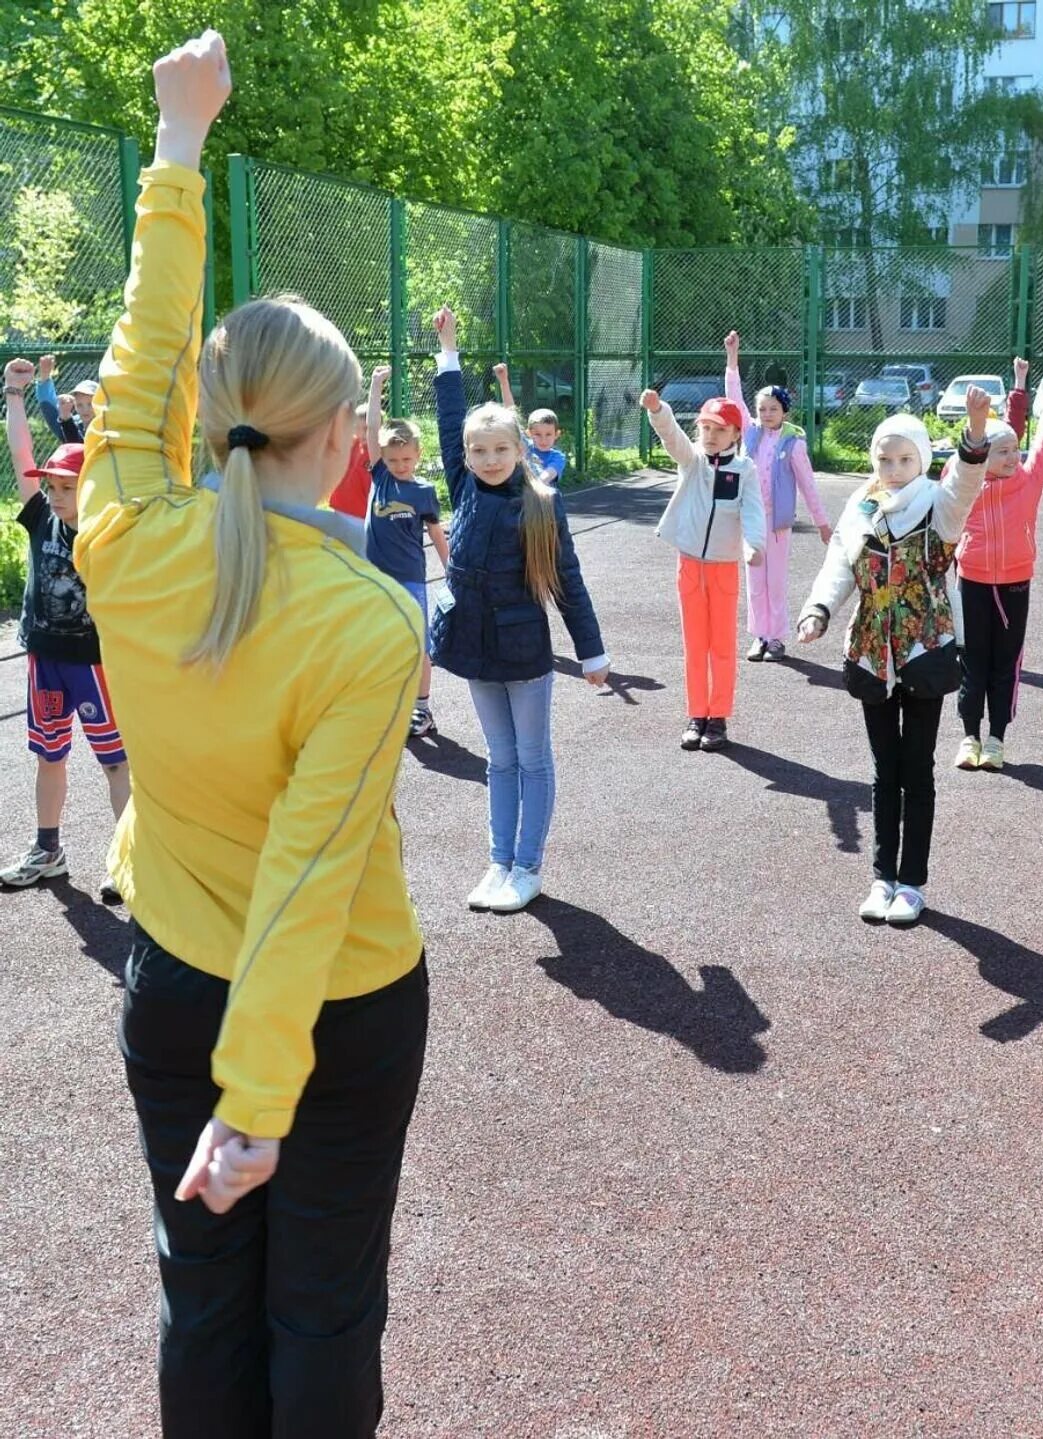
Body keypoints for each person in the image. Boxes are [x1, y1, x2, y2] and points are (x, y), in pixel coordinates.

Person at [72, 33, 427, 1435]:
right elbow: (311, 874)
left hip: (173, 983)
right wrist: (260, 1097)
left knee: (203, 1295)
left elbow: (139, 354)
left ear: (207, 418)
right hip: (334, 1014)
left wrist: (179, 144)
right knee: (323, 1312)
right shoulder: (364, 619)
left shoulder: (124, 532)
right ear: (348, 437)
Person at [430, 306, 609, 912]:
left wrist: (592, 653)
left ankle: (528, 865)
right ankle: (498, 861)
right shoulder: (463, 485)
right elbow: (449, 413)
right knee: (497, 760)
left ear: (519, 448)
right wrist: (448, 352)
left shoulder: (542, 503)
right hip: (476, 644)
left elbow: (569, 582)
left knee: (531, 758)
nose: (487, 459)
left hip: (524, 648)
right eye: (477, 451)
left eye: (499, 448)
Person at [797, 387, 991, 927]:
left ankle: (912, 882)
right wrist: (818, 610)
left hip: (924, 648)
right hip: (871, 652)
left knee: (918, 771)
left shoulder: (937, 503)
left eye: (905, 458)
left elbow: (964, 485)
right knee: (884, 772)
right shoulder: (861, 506)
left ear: (923, 459)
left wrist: (975, 430)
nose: (894, 467)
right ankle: (881, 877)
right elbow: (840, 565)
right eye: (884, 457)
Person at [2, 359, 130, 891]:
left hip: (94, 663)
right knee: (49, 755)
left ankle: (130, 863)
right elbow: (21, 454)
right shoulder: (41, 519)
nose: (55, 495)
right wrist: (14, 394)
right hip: (44, 655)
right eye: (50, 486)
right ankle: (47, 849)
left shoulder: (109, 527)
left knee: (116, 763)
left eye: (66, 487)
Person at [951, 378, 1043, 772]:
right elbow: (967, 450)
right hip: (973, 582)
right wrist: (978, 426)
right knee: (972, 662)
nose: (1012, 457)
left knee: (1006, 663)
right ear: (982, 455)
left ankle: (996, 738)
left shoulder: (1028, 481)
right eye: (1001, 452)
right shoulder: (966, 483)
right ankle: (969, 736)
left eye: (1015, 450)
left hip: (1015, 584)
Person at [647, 382, 766, 751]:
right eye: (705, 428)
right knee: (694, 645)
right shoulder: (694, 460)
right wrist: (658, 411)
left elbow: (753, 510)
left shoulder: (745, 470)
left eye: (719, 429)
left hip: (724, 568)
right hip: (689, 565)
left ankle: (718, 718)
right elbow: (673, 438)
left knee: (723, 646)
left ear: (735, 433)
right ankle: (696, 714)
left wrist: (754, 544)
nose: (710, 435)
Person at [722, 330, 832, 661]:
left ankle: (777, 638)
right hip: (753, 518)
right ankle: (760, 636)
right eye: (762, 409)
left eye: (773, 409)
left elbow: (809, 485)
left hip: (779, 523)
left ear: (783, 411)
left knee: (775, 581)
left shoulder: (793, 443)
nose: (767, 414)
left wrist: (823, 523)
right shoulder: (752, 433)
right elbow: (734, 398)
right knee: (755, 578)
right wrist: (732, 357)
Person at [363, 364, 450, 738]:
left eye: (406, 460)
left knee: (418, 646)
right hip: (374, 579)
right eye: (393, 459)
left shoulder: (422, 491)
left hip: (411, 579)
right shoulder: (380, 475)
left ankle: (422, 708)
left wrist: (452, 570)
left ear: (417, 456)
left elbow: (436, 532)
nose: (399, 466)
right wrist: (376, 385)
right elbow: (370, 428)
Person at [491, 363, 569, 481]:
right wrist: (504, 382)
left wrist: (531, 484)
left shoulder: (557, 457)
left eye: (548, 434)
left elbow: (546, 476)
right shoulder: (526, 446)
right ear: (529, 433)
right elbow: (512, 414)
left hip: (543, 497)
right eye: (538, 434)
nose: (543, 440)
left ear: (556, 434)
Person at [34, 353, 86, 445]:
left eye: (90, 403)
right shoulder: (71, 422)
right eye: (80, 404)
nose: (86, 409)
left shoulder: (109, 423)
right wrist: (45, 376)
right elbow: (48, 405)